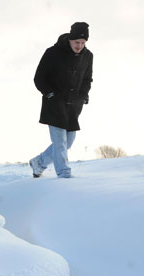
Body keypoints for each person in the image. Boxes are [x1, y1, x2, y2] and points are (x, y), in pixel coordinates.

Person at [29, 22, 93, 178]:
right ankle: (64, 175)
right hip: (55, 104)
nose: (80, 46)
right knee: (60, 142)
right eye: (77, 42)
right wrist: (50, 94)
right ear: (70, 39)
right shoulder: (52, 53)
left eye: (83, 43)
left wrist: (83, 96)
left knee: (68, 141)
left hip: (73, 106)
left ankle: (39, 162)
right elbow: (39, 78)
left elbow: (87, 79)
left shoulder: (88, 56)